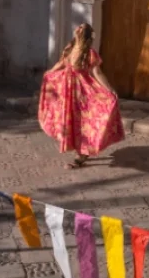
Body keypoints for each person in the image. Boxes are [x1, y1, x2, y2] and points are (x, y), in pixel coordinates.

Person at [38, 23, 124, 169]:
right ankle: (79, 150)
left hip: (83, 90)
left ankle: (82, 154)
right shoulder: (70, 48)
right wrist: (50, 73)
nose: (78, 29)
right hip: (68, 91)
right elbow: (62, 63)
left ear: (84, 35)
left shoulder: (90, 53)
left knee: (83, 121)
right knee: (71, 119)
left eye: (81, 28)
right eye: (79, 27)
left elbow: (97, 73)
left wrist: (109, 89)